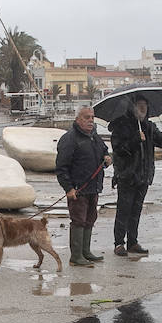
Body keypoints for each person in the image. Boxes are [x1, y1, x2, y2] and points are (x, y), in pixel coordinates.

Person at [107, 96, 162, 256]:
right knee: (123, 210)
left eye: (145, 106)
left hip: (144, 175)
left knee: (136, 210)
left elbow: (160, 137)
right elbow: (118, 149)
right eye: (140, 106)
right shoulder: (121, 126)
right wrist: (134, 140)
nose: (143, 109)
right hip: (127, 175)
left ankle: (133, 242)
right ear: (132, 107)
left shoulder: (148, 126)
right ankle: (119, 243)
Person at [54, 105, 110, 266]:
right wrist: (68, 188)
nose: (90, 120)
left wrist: (107, 158)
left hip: (94, 187)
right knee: (78, 220)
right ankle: (76, 256)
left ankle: (86, 251)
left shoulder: (95, 136)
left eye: (92, 117)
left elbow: (104, 152)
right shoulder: (69, 139)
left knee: (90, 219)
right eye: (86, 117)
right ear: (78, 119)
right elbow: (61, 167)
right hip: (78, 189)